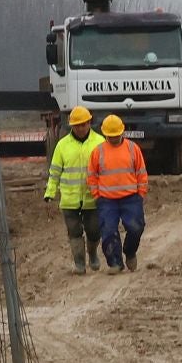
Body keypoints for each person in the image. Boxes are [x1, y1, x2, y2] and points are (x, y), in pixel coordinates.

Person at [86, 114, 148, 274]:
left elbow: (141, 172)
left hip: (131, 197)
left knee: (136, 228)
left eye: (116, 135)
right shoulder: (98, 151)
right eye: (110, 136)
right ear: (105, 134)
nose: (113, 138)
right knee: (108, 232)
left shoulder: (132, 148)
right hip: (106, 200)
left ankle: (130, 251)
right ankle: (115, 263)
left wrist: (141, 193)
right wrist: (96, 195)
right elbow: (92, 175)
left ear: (122, 132)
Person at [43, 105, 101, 274]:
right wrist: (50, 192)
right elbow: (54, 172)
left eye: (84, 124)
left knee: (94, 230)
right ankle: (79, 263)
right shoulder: (62, 146)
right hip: (69, 199)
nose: (81, 128)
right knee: (74, 232)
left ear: (89, 123)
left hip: (93, 198)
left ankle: (93, 253)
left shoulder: (99, 143)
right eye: (77, 125)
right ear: (71, 126)